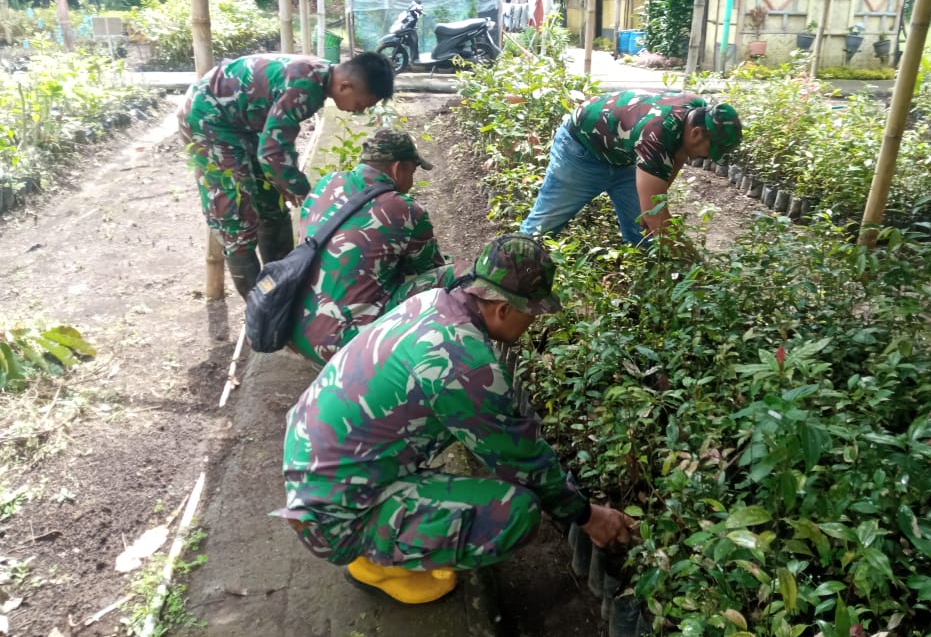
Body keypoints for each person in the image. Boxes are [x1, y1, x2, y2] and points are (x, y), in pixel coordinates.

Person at [275, 233, 635, 605]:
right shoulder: (462, 365)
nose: (534, 324)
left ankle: (383, 529)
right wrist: (587, 515)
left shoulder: (433, 302)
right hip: (331, 516)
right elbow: (522, 460)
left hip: (314, 460)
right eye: (533, 313)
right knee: (516, 512)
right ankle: (376, 560)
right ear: (503, 309)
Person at [177, 52, 395, 298]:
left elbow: (274, 148)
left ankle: (280, 288)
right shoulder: (306, 87)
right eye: (361, 104)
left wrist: (290, 187)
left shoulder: (321, 75)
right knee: (236, 215)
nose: (357, 112)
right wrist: (309, 196)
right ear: (346, 86)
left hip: (239, 120)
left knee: (271, 202)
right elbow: (273, 152)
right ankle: (261, 309)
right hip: (208, 117)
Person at [290, 127, 456, 365]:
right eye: (413, 171)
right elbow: (429, 269)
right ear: (398, 168)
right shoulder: (405, 209)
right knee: (451, 275)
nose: (412, 181)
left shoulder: (326, 183)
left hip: (298, 330)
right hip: (345, 348)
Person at [519, 91, 742, 245]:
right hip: (580, 151)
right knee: (541, 229)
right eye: (709, 150)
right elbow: (657, 218)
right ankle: (503, 273)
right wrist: (692, 265)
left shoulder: (697, 111)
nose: (706, 158)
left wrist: (657, 199)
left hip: (624, 154)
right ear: (696, 133)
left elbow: (678, 155)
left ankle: (643, 283)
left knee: (644, 235)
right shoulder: (656, 136)